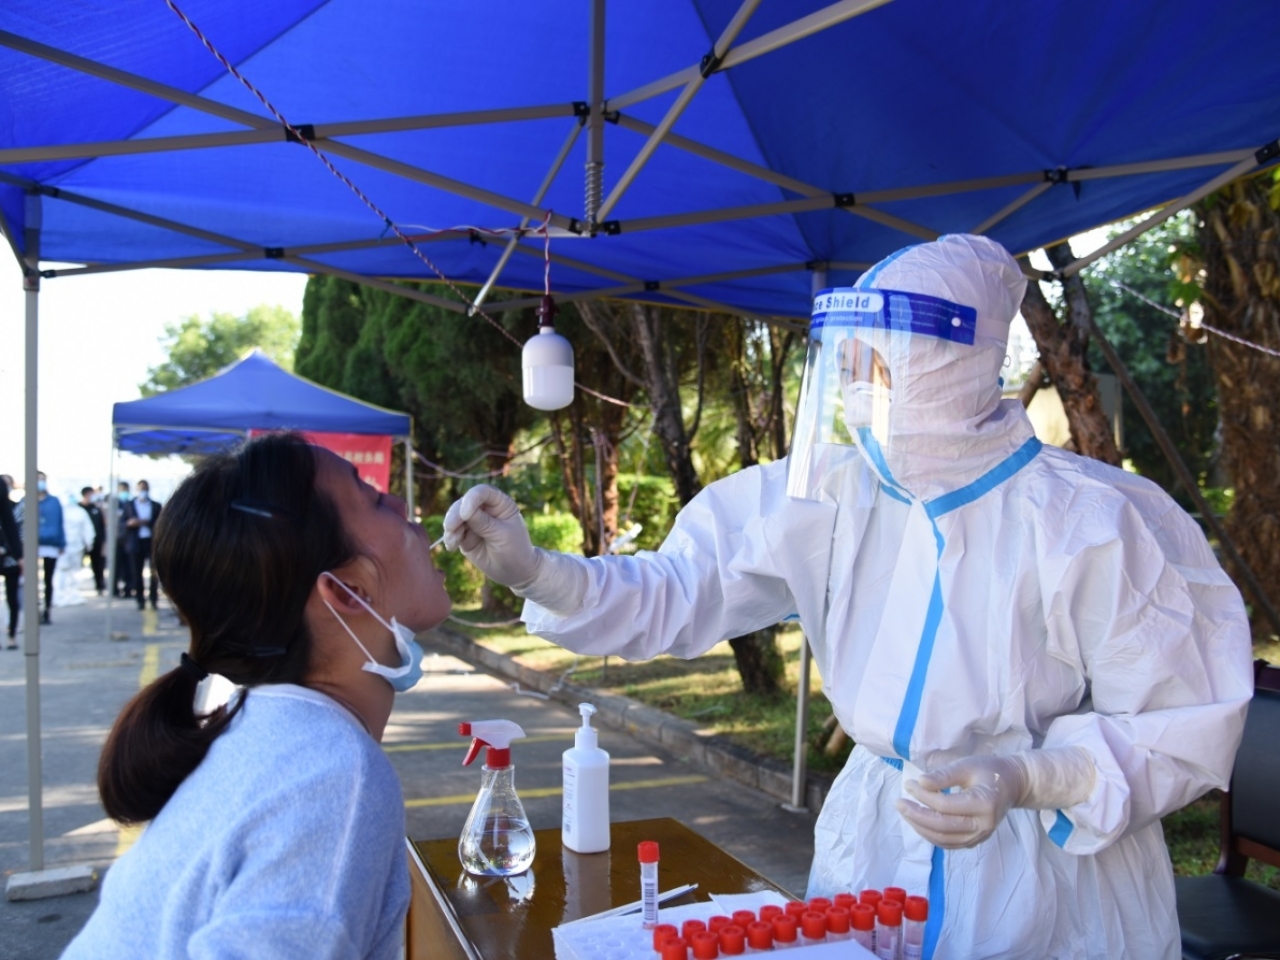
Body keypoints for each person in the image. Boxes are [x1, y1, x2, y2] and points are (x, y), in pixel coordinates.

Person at [444, 235, 1253, 960]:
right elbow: (678, 588)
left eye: (880, 365)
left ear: (952, 365)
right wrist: (537, 572)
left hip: (1046, 880)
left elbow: (1179, 728)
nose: (859, 390)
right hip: (876, 840)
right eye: (850, 365)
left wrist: (1028, 778)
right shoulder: (834, 496)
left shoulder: (1094, 524)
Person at [63, 432, 450, 959]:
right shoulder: (332, 774)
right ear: (346, 592)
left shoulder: (264, 730)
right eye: (377, 499)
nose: (405, 505)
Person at [23, 471, 65, 625]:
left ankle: (47, 611)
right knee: (32, 580)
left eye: (42, 480)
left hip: (51, 545)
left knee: (48, 579)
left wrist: (61, 543)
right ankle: (33, 610)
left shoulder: (54, 501)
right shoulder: (26, 501)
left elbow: (60, 523)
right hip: (32, 545)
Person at [121, 479, 162, 610]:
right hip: (135, 542)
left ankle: (153, 598)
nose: (143, 491)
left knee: (154, 572)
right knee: (136, 572)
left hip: (151, 542)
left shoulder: (156, 506)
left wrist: (146, 522)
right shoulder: (129, 505)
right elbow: (122, 523)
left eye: (145, 488)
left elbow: (160, 523)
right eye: (141, 488)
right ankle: (140, 599)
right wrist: (130, 523)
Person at [0, 475, 21, 648]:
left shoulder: (17, 508)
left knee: (12, 598)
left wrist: (20, 555)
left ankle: (12, 634)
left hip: (11, 557)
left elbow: (14, 528)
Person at [78, 487, 107, 595]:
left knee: (98, 565)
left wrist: (103, 542)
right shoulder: (78, 508)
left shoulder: (96, 508)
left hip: (96, 542)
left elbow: (103, 525)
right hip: (81, 543)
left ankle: (100, 586)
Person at [113, 481, 133, 599]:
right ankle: (114, 589)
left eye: (126, 489)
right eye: (122, 489)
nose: (124, 492)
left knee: (129, 567)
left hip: (128, 539)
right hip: (116, 539)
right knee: (116, 566)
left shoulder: (130, 504)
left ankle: (128, 589)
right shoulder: (113, 503)